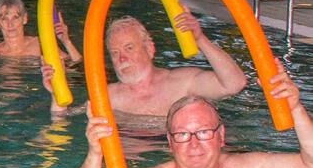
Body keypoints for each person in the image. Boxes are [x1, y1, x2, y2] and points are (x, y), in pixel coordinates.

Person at [71, 72, 313, 168]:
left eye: (203, 132)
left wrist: (295, 109)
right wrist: (95, 153)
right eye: (183, 134)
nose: (194, 143)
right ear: (170, 142)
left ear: (221, 136)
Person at [46, 12, 246, 117]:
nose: (122, 58)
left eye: (129, 48)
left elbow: (234, 84)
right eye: (115, 53)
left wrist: (201, 40)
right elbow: (63, 120)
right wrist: (56, 94)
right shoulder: (109, 95)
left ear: (150, 49)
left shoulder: (183, 84)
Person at [0, 0, 77, 60]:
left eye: (15, 18)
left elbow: (76, 72)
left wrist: (67, 42)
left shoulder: (40, 45)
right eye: (4, 19)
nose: (10, 24)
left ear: (24, 19)